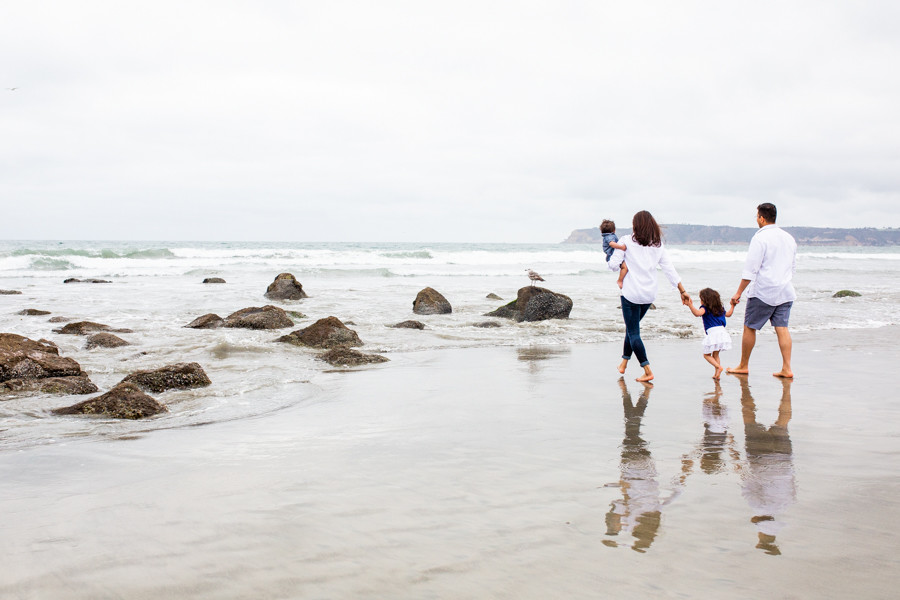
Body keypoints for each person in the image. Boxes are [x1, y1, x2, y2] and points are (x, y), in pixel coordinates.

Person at [608, 211, 690, 382]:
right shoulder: (657, 245)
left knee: (633, 332)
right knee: (633, 330)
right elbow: (670, 270)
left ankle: (647, 370)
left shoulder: (625, 241)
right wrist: (682, 291)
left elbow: (613, 265)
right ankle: (623, 363)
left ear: (635, 225)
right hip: (649, 295)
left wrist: (614, 258)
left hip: (631, 294)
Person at [727, 203, 797, 378]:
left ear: (762, 218)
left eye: (757, 216)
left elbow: (751, 269)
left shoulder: (760, 238)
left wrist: (738, 293)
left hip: (764, 291)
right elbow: (792, 267)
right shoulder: (788, 238)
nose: (756, 219)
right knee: (782, 328)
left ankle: (743, 365)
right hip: (785, 290)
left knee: (749, 327)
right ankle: (787, 368)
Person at [685, 287, 736, 379]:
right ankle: (717, 374)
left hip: (713, 334)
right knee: (715, 355)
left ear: (705, 300)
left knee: (706, 355)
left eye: (701, 299)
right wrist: (733, 306)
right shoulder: (720, 308)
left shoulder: (705, 308)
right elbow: (729, 314)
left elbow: (697, 313)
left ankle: (718, 367)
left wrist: (690, 305)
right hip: (723, 333)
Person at [600, 219, 628, 289]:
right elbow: (612, 244)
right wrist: (621, 247)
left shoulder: (606, 236)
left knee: (624, 268)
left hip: (611, 257)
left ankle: (622, 280)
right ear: (614, 230)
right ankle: (620, 280)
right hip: (613, 257)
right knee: (625, 268)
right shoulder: (610, 236)